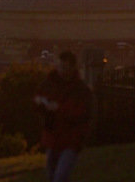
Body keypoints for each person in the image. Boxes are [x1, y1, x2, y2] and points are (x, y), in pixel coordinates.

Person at [33, 50, 92, 182]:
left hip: (71, 140)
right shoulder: (48, 83)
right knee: (52, 175)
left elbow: (82, 113)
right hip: (52, 138)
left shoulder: (80, 90)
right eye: (59, 66)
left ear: (72, 68)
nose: (61, 70)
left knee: (60, 177)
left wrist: (59, 108)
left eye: (64, 67)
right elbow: (38, 101)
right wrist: (39, 103)